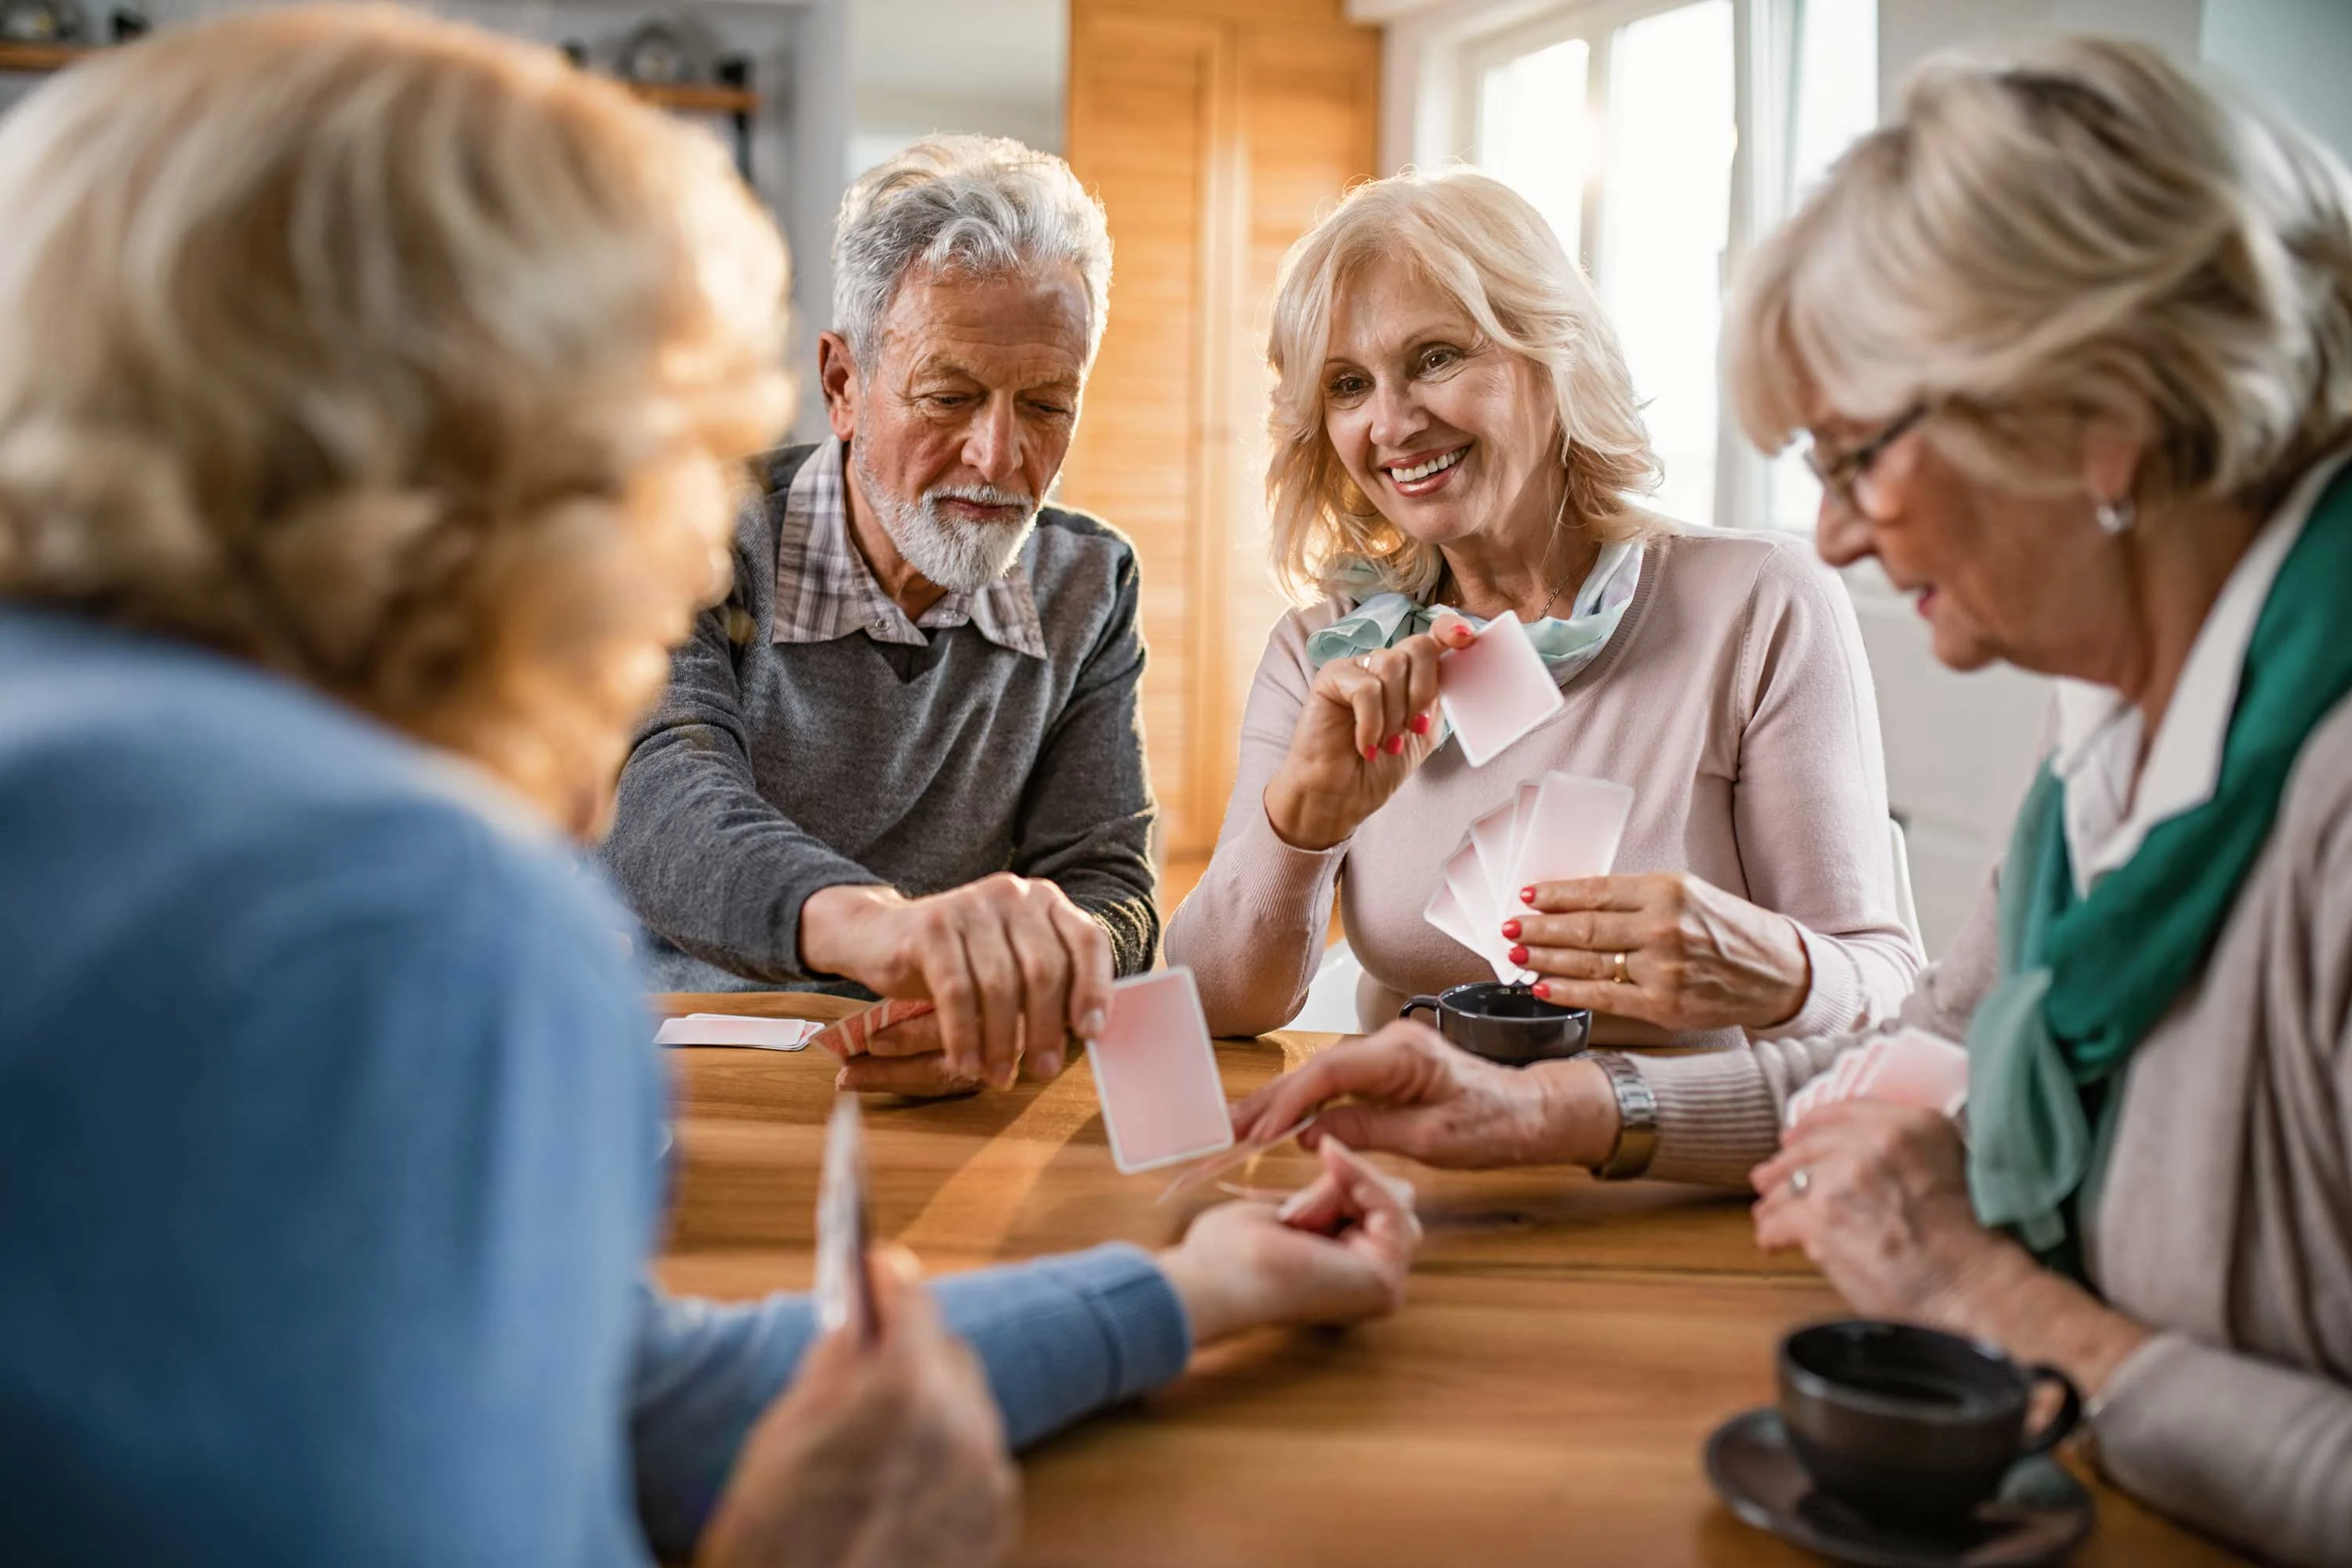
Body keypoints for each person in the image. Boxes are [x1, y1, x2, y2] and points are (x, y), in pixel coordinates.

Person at [0, 13, 1421, 1565]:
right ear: (456, 450)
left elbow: (615, 1388)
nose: (686, 539)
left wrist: (1182, 1290)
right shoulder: (415, 914)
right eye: (658, 450)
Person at [1229, 37, 2352, 1565]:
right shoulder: (2098, 729)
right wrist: (1555, 1107)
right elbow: (1924, 1059)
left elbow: (1885, 1026)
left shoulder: (2314, 802)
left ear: (2101, 414)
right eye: (1350, 384)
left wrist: (1993, 1299)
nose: (1830, 533)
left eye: (1863, 454)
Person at [1165, 169, 1922, 1046]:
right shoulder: (1324, 652)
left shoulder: (1758, 605)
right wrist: (1299, 825)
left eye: (1436, 358)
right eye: (1346, 385)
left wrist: (1768, 964)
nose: (1392, 422)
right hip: (1408, 1157)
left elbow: (1882, 989)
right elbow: (1210, 1010)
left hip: (1678, 1161)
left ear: (1552, 352)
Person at [601, 133, 1153, 1098]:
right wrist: (891, 930)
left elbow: (1109, 886)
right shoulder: (696, 530)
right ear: (844, 385)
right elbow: (662, 796)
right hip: (679, 1053)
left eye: (1048, 404)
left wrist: (1025, 987)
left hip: (940, 1070)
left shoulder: (1090, 583)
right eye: (950, 397)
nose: (997, 455)